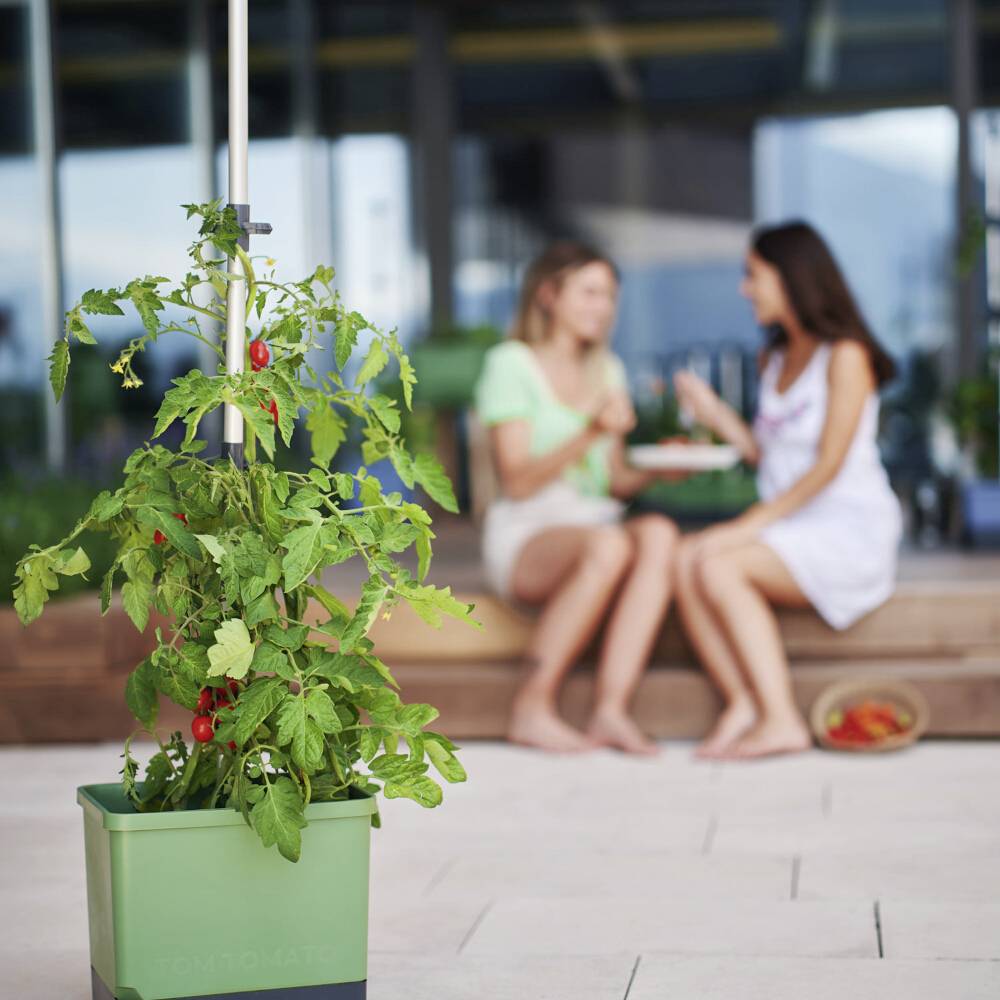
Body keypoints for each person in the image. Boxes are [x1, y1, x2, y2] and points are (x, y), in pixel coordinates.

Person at [672, 221, 902, 760]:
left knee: (717, 564)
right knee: (683, 558)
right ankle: (741, 703)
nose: (744, 289)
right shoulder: (772, 358)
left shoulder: (846, 355)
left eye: (753, 275)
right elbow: (768, 452)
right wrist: (712, 413)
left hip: (847, 530)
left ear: (791, 276)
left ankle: (780, 719)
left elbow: (828, 465)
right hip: (791, 524)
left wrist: (746, 527)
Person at [474, 241, 680, 755]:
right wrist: (591, 431)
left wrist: (657, 471)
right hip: (529, 528)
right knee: (609, 545)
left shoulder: (607, 370)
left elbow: (612, 482)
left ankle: (611, 709)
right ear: (548, 295)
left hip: (595, 522)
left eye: (609, 296)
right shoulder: (511, 364)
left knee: (659, 533)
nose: (603, 307)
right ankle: (530, 707)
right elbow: (517, 482)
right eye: (589, 292)